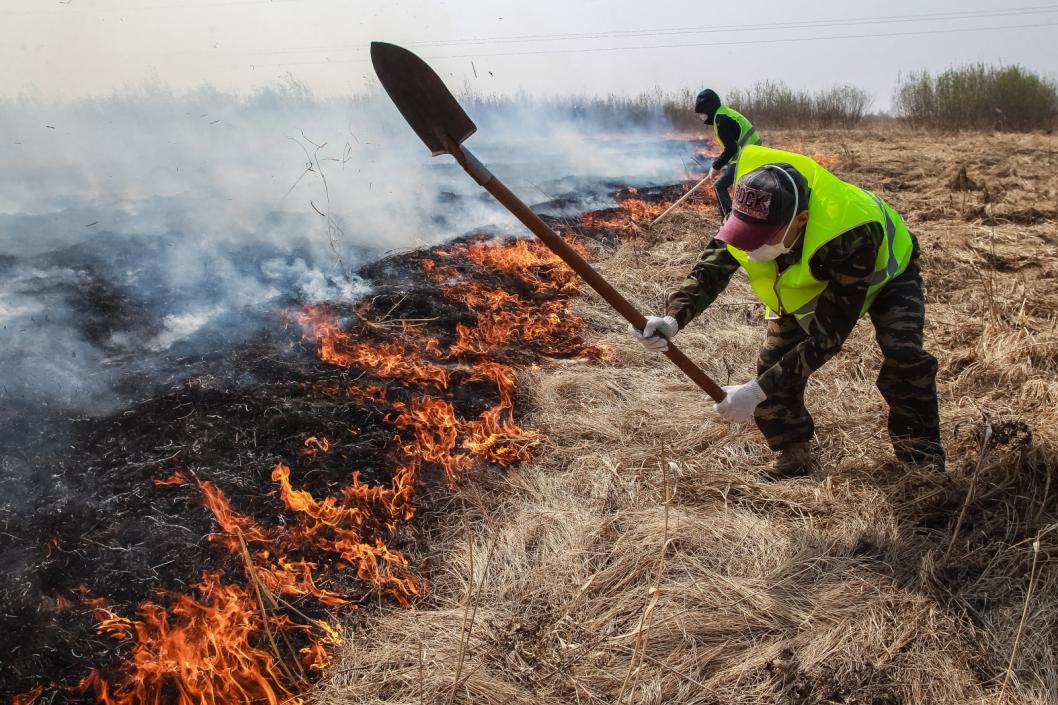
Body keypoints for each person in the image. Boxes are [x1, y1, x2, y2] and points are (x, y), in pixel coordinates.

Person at [628, 145, 944, 477]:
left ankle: (922, 460)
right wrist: (672, 319)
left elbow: (827, 338)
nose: (748, 245)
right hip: (806, 280)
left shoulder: (849, 232)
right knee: (773, 363)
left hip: (888, 276)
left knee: (905, 357)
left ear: (801, 220)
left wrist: (756, 390)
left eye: (760, 238)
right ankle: (793, 454)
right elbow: (709, 272)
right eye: (744, 234)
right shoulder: (752, 207)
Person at [694, 89, 761, 218]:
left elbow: (731, 148)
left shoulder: (721, 120)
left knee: (719, 186)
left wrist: (716, 166)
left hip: (747, 156)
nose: (701, 116)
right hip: (751, 153)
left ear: (709, 109)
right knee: (736, 187)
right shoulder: (723, 113)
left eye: (702, 112)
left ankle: (729, 220)